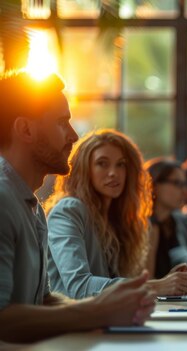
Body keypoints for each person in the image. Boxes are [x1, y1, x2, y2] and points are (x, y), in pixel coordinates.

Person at [0, 71, 155, 343]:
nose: (73, 136)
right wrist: (98, 312)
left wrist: (111, 309)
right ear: (25, 129)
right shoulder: (3, 200)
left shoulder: (31, 205)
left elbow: (44, 300)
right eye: (62, 123)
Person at [45, 129, 187, 299]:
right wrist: (156, 286)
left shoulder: (118, 218)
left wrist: (171, 283)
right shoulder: (69, 210)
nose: (113, 173)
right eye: (102, 163)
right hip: (73, 321)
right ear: (85, 169)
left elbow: (120, 284)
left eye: (121, 164)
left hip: (111, 318)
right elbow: (79, 286)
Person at [144, 157, 187, 279]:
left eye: (184, 184)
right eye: (177, 183)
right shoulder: (147, 226)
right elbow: (145, 282)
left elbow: (181, 255)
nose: (185, 191)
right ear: (153, 184)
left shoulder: (171, 223)